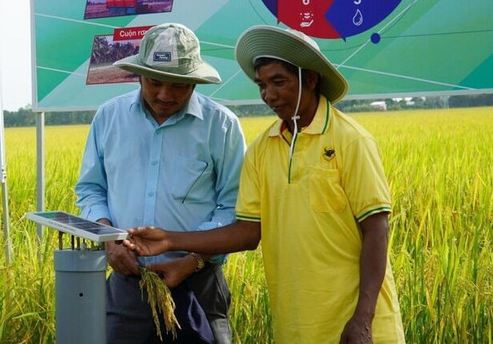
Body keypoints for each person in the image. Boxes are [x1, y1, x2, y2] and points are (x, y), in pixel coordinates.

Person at [125, 25, 405, 343]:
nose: (269, 95)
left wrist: (364, 319)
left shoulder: (350, 141)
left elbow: (376, 230)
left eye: (279, 82)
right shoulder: (262, 148)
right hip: (297, 324)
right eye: (262, 85)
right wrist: (168, 240)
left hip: (357, 325)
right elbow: (247, 232)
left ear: (310, 79)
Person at [75, 22, 245, 343]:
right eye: (155, 82)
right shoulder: (109, 118)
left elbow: (233, 208)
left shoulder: (221, 126)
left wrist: (192, 261)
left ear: (195, 82)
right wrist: (109, 241)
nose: (165, 95)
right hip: (129, 279)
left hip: (199, 283)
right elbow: (90, 189)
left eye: (179, 85)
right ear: (139, 75)